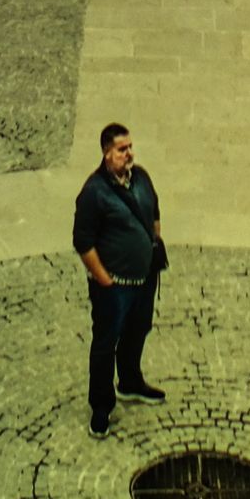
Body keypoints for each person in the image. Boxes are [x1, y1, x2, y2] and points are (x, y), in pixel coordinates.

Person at [72, 122, 166, 436]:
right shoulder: (93, 193)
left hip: (143, 279)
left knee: (138, 329)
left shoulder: (140, 177)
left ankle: (130, 381)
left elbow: (154, 211)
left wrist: (152, 244)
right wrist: (105, 281)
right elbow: (83, 242)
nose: (129, 154)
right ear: (106, 152)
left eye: (130, 148)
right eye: (122, 149)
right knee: (105, 344)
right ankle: (101, 406)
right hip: (114, 287)